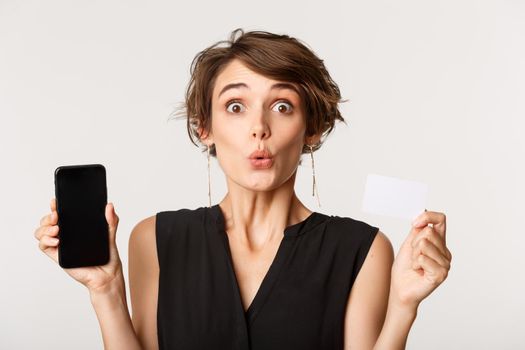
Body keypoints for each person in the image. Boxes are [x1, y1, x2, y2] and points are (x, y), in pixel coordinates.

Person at [34, 28, 452, 350]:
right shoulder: (155, 239)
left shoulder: (363, 250)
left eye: (282, 106)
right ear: (205, 128)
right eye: (235, 106)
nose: (259, 128)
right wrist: (106, 290)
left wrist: (404, 306)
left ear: (311, 128)